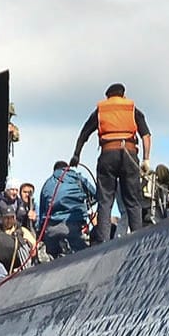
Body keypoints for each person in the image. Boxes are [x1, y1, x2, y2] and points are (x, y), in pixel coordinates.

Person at [71, 83, 152, 241]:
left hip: (108, 154)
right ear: (123, 95)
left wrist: (76, 155)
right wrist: (146, 159)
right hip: (129, 153)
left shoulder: (102, 110)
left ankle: (104, 242)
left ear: (108, 96)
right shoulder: (132, 109)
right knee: (133, 200)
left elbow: (84, 133)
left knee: (105, 201)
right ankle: (138, 239)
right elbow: (146, 136)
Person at [37, 160, 97, 257]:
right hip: (73, 227)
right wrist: (87, 205)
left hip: (51, 231)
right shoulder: (76, 178)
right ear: (67, 169)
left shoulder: (47, 184)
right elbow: (95, 194)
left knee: (52, 260)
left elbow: (42, 213)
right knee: (84, 257)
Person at [0, 203, 35, 273]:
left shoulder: (21, 230)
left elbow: (34, 245)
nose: (9, 221)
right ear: (2, 218)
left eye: (11, 218)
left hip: (18, 265)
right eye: (7, 218)